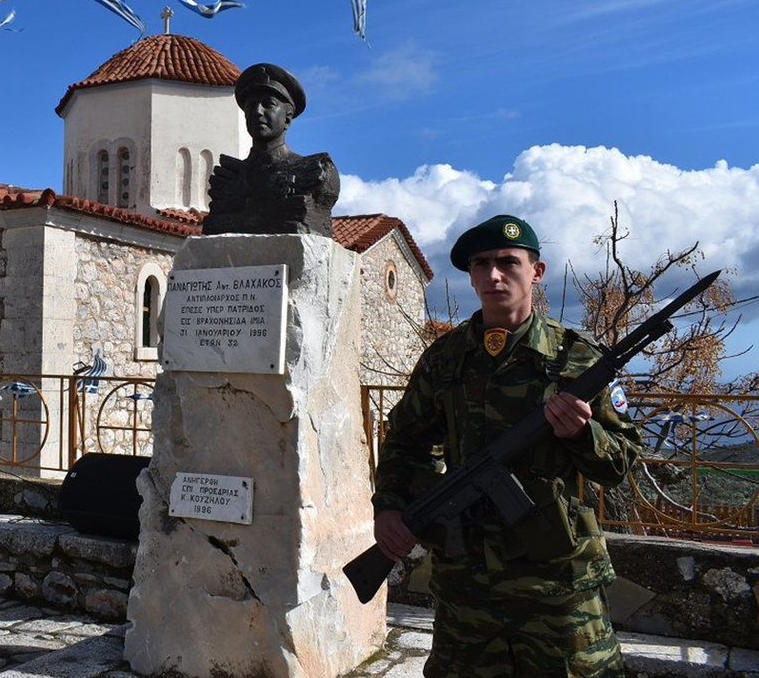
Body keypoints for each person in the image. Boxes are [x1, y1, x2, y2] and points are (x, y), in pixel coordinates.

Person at [371, 214, 643, 678]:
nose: (494, 275)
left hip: (558, 584)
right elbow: (404, 442)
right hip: (466, 584)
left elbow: (622, 465)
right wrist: (391, 508)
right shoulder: (445, 359)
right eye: (481, 264)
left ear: (536, 272)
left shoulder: (577, 357)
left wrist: (583, 434)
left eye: (508, 263)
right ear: (471, 274)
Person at [202, 62, 340, 237]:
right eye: (251, 106)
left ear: (287, 118)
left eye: (268, 104)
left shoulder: (314, 170)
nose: (257, 112)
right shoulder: (228, 179)